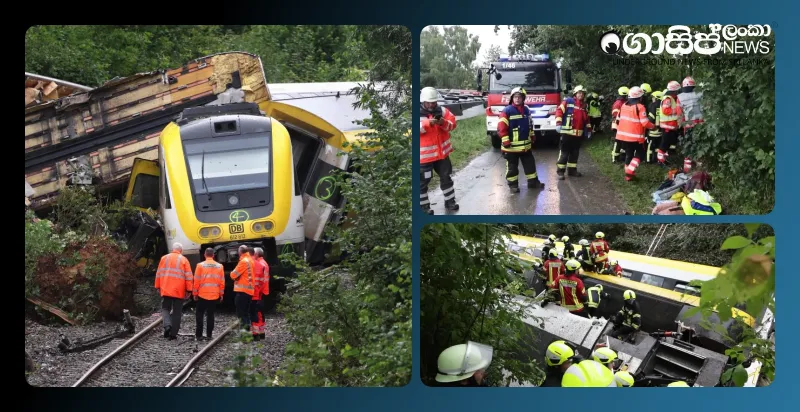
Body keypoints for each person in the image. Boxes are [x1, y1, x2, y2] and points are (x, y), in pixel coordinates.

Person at [497, 87, 545, 193]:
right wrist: (505, 140)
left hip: (525, 147)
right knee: (512, 168)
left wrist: (532, 135)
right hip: (511, 148)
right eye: (515, 97)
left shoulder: (526, 110)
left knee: (530, 165)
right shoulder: (507, 111)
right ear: (512, 98)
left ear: (523, 98)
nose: (517, 99)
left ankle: (533, 183)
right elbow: (501, 127)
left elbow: (530, 124)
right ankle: (513, 186)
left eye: (519, 97)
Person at [420, 87, 459, 215]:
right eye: (429, 102)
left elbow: (452, 125)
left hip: (442, 155)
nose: (432, 105)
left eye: (433, 102)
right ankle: (424, 207)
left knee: (446, 178)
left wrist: (442, 122)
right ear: (423, 101)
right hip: (424, 157)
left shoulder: (442, 111)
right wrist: (427, 124)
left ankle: (450, 202)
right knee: (422, 183)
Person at [616, 86, 655, 181]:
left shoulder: (624, 105)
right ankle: (630, 171)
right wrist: (653, 126)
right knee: (641, 154)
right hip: (635, 138)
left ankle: (628, 176)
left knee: (629, 154)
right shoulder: (640, 107)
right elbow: (645, 123)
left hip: (622, 137)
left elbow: (618, 119)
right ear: (640, 97)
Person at [155, 243, 193, 340]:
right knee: (177, 312)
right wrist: (189, 290)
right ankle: (173, 334)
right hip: (179, 290)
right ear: (181, 251)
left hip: (166, 289)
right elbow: (189, 277)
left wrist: (158, 286)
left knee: (165, 308)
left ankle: (167, 325)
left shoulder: (164, 258)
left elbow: (158, 273)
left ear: (173, 249)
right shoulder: (184, 260)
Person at [554, 85, 591, 180]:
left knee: (575, 153)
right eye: (579, 93)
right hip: (567, 133)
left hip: (578, 134)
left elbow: (587, 119)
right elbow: (559, 111)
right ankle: (560, 171)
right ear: (575, 94)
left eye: (582, 93)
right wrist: (558, 123)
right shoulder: (568, 101)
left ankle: (572, 170)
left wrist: (589, 130)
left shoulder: (585, 105)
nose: (581, 95)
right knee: (564, 153)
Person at [192, 247, 224, 341]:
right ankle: (209, 335)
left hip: (202, 295)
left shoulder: (200, 265)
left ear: (205, 255)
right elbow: (222, 282)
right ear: (213, 255)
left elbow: (196, 281)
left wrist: (195, 293)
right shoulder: (220, 266)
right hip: (214, 295)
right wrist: (221, 294)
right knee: (210, 315)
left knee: (200, 314)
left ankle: (199, 335)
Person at [678, 76, 704, 174]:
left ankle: (687, 168)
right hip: (700, 125)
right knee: (700, 145)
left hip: (688, 125)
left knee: (688, 145)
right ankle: (700, 166)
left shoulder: (680, 97)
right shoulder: (700, 94)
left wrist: (680, 124)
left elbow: (679, 114)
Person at [657, 81, 684, 167]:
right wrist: (678, 109)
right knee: (664, 145)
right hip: (667, 126)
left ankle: (664, 159)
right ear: (674, 91)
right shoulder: (668, 98)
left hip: (671, 126)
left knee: (668, 144)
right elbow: (666, 110)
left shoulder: (673, 98)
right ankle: (660, 161)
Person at [230, 245, 256, 332]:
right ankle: (248, 333)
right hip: (249, 291)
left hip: (242, 292)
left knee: (241, 314)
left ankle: (244, 334)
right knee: (246, 313)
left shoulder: (243, 261)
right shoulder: (250, 260)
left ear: (240, 252)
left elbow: (233, 275)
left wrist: (233, 274)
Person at [250, 247, 269, 340]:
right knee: (260, 312)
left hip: (259, 292)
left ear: (256, 254)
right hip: (262, 291)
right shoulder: (264, 263)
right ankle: (261, 332)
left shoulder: (259, 264)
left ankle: (256, 333)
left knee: (256, 312)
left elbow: (260, 280)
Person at [645, 90, 664, 164]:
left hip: (653, 131)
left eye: (653, 97)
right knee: (658, 147)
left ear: (656, 98)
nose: (652, 99)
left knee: (650, 147)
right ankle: (656, 160)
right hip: (661, 130)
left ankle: (648, 160)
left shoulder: (653, 105)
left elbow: (651, 118)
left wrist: (648, 127)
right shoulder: (663, 105)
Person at [611, 86, 629, 163]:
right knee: (618, 142)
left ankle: (621, 157)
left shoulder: (623, 102)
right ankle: (614, 158)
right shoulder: (618, 103)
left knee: (623, 142)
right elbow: (615, 115)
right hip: (617, 125)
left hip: (622, 125)